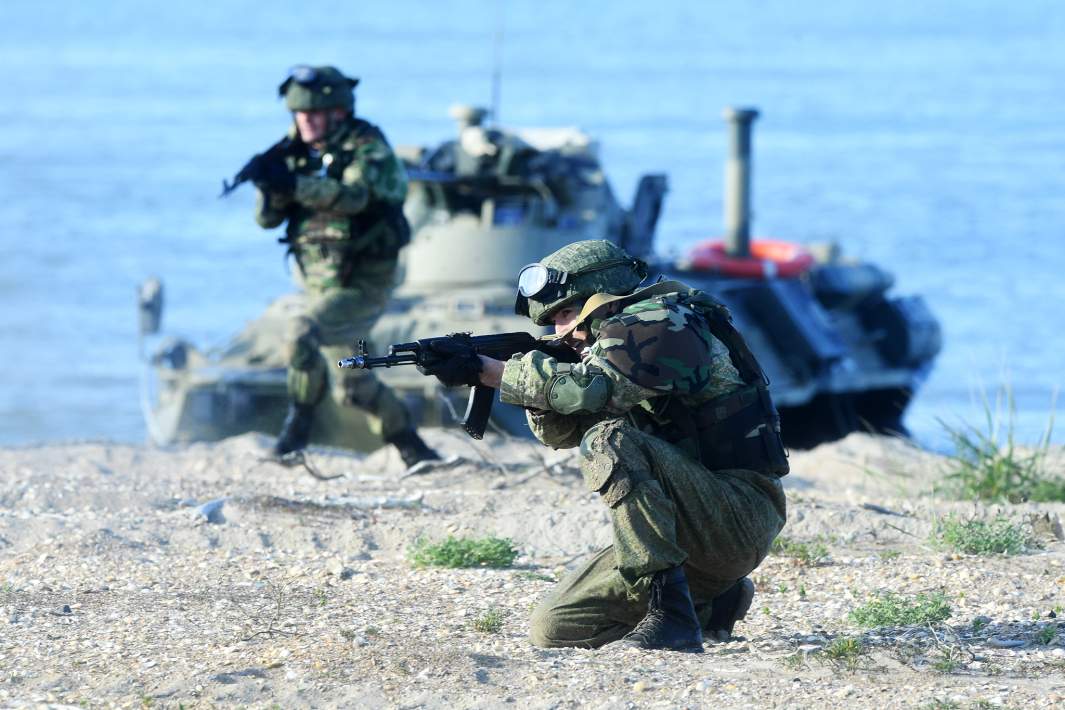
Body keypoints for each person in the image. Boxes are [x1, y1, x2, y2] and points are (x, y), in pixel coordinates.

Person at [424, 240, 788, 651]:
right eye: (552, 322)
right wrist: (523, 380)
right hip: (682, 531)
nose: (559, 331)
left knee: (608, 439)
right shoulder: (601, 348)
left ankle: (672, 618)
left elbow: (591, 393)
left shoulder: (665, 322)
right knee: (556, 629)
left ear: (603, 296)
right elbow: (559, 435)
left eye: (565, 313)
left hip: (738, 514)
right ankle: (712, 601)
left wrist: (493, 373)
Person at [243, 65, 438, 466]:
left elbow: (354, 197)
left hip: (362, 287)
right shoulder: (293, 153)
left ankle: (294, 433)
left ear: (339, 113)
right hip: (320, 284)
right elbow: (267, 220)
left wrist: (294, 186)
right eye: (299, 114)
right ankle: (414, 449)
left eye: (315, 113)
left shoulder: (370, 149)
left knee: (301, 333)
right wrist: (270, 186)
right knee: (353, 385)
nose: (306, 121)